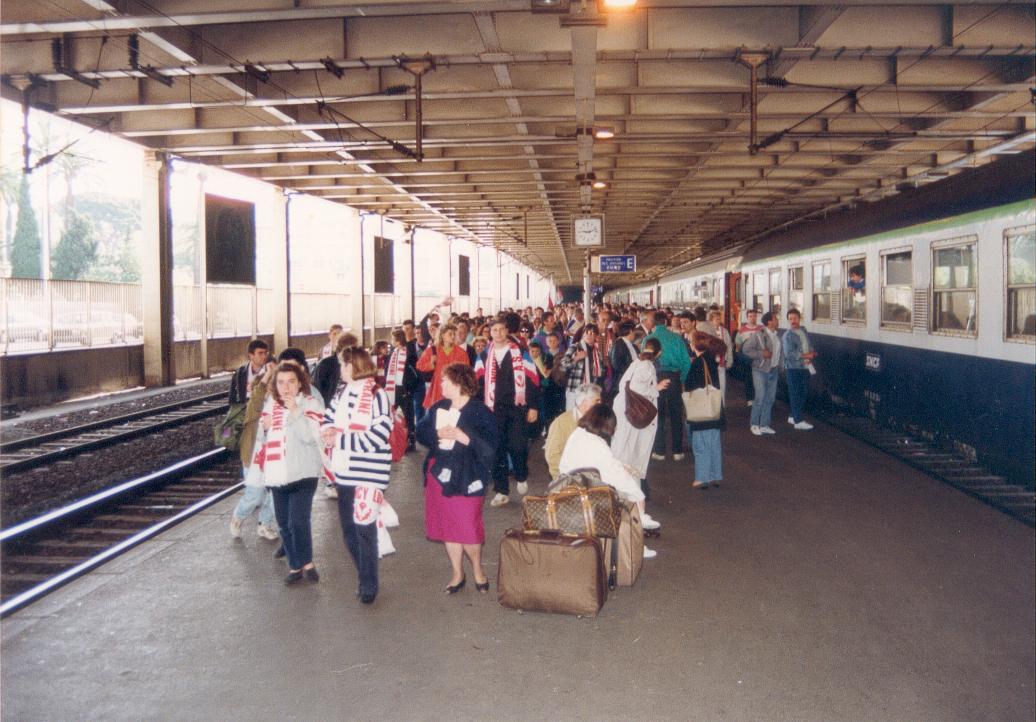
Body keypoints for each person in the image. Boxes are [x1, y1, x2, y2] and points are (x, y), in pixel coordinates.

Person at [416, 363, 499, 594]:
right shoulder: (439, 407)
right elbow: (420, 432)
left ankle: (477, 570)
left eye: (444, 381)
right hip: (440, 474)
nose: (440, 384)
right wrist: (436, 434)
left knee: (468, 527)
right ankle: (457, 573)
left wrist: (465, 437)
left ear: (458, 384)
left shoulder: (481, 412)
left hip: (469, 476)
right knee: (448, 527)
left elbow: (492, 447)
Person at [323, 346, 393, 605]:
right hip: (344, 472)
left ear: (354, 366)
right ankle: (365, 572)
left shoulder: (378, 395)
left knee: (364, 528)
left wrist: (339, 439)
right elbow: (328, 419)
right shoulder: (341, 393)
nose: (340, 369)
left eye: (343, 364)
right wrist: (328, 431)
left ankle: (368, 584)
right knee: (348, 530)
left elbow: (378, 436)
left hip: (369, 473)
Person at [250, 361, 325, 585]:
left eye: (291, 381)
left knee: (298, 522)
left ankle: (307, 561)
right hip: (276, 475)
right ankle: (295, 565)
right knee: (283, 523)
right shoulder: (270, 403)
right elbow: (263, 440)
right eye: (281, 382)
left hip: (303, 473)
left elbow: (311, 438)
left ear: (300, 382)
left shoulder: (311, 404)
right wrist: (264, 428)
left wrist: (295, 412)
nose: (286, 387)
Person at [558, 405, 657, 558]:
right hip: (590, 497)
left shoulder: (578, 434)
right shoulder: (598, 444)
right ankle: (637, 544)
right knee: (631, 495)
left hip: (568, 490)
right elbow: (616, 475)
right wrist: (639, 496)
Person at [474, 317, 541, 507]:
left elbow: (533, 380)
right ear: (490, 333)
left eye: (501, 329)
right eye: (494, 330)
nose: (498, 333)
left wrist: (534, 406)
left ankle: (521, 475)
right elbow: (477, 383)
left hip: (517, 408)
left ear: (507, 331)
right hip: (492, 410)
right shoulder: (484, 356)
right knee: (497, 450)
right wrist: (478, 409)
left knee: (518, 446)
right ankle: (501, 491)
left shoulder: (520, 352)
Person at [611, 337, 669, 510]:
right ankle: (629, 499)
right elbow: (636, 388)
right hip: (634, 416)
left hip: (625, 411)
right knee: (631, 455)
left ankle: (623, 495)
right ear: (659, 353)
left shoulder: (636, 362)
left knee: (623, 451)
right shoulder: (647, 366)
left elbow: (623, 385)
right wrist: (655, 389)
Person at [642, 310, 691, 461]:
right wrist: (681, 378)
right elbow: (686, 362)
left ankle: (659, 450)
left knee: (658, 414)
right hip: (674, 378)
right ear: (666, 322)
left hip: (656, 378)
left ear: (654, 322)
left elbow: (644, 362)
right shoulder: (677, 338)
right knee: (676, 414)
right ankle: (677, 451)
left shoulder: (648, 339)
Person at [685, 332, 726, 490]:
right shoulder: (711, 359)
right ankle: (716, 475)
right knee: (714, 444)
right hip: (714, 408)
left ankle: (702, 478)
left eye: (691, 342)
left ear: (695, 345)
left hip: (701, 410)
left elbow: (689, 385)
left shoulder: (698, 362)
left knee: (701, 444)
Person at [544, 382, 601, 479]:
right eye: (597, 401)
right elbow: (552, 455)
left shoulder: (597, 420)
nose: (600, 404)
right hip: (569, 476)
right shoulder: (562, 423)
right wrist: (566, 478)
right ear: (584, 403)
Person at [742, 311, 781, 435]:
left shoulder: (776, 335)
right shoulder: (758, 335)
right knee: (760, 397)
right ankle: (754, 424)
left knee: (770, 398)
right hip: (760, 370)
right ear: (769, 321)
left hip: (773, 370)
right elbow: (745, 349)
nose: (777, 320)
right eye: (775, 318)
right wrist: (760, 354)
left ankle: (764, 424)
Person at [417, 323, 472, 410]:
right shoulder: (432, 350)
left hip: (455, 387)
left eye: (454, 334)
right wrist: (430, 365)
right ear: (442, 335)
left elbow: (467, 371)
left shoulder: (461, 352)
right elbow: (419, 365)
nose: (453, 336)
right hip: (438, 387)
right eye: (450, 334)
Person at [782, 309, 817, 430]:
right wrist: (806, 356)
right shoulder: (788, 335)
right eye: (790, 319)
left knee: (802, 392)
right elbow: (789, 354)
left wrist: (811, 352)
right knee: (797, 394)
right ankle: (798, 421)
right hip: (794, 368)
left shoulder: (803, 330)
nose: (793, 321)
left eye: (795, 318)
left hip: (805, 366)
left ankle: (792, 416)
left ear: (799, 318)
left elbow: (808, 344)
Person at [559, 323, 606, 411]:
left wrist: (602, 367)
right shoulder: (575, 347)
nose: (589, 335)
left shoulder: (597, 353)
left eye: (592, 333)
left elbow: (601, 372)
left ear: (596, 336)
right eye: (587, 333)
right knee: (572, 416)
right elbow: (562, 366)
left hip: (590, 390)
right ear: (583, 334)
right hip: (575, 389)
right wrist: (576, 358)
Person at [229, 339, 270, 407]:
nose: (264, 356)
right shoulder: (240, 372)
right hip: (245, 410)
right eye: (260, 353)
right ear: (251, 355)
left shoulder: (271, 371)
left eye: (265, 353)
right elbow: (232, 398)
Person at [735, 308, 763, 407]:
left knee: (759, 379)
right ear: (747, 318)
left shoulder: (761, 329)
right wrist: (740, 356)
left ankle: (759, 398)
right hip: (747, 359)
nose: (752, 318)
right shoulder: (742, 330)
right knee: (749, 378)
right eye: (750, 316)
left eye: (754, 316)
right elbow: (738, 345)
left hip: (759, 358)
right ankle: (750, 398)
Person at [608, 320, 639, 398]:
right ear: (631, 331)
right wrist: (631, 372)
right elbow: (616, 365)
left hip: (632, 381)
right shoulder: (618, 345)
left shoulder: (633, 345)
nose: (635, 334)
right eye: (634, 331)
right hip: (622, 382)